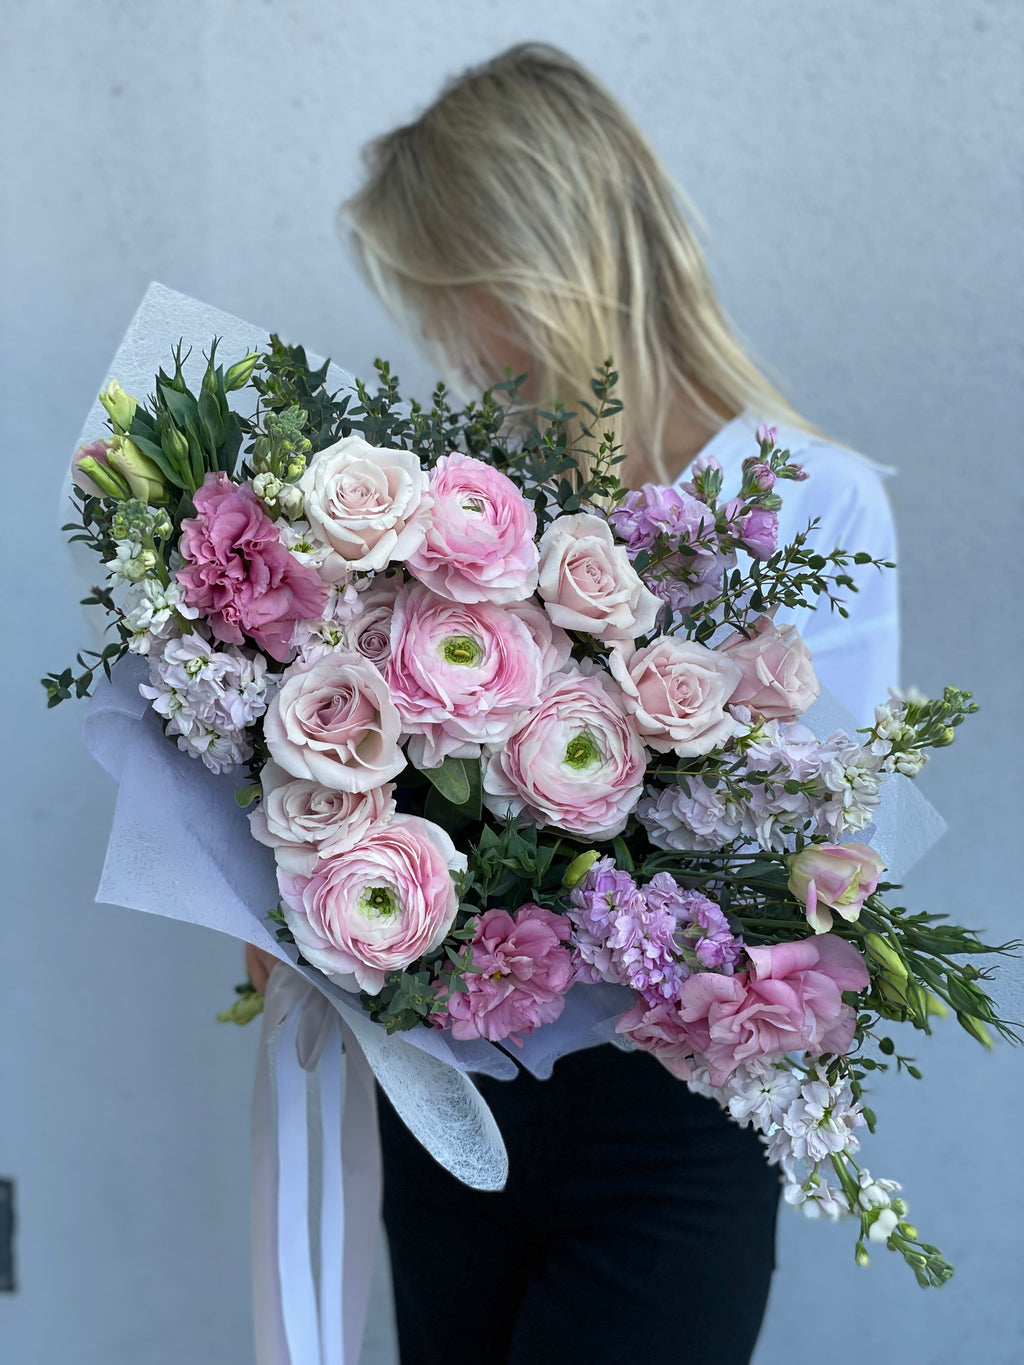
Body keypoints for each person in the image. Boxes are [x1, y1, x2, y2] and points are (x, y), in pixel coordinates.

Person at [248, 41, 899, 1365]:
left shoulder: (813, 500)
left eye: (450, 295)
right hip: (450, 1112)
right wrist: (312, 872)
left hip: (668, 1124)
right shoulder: (473, 502)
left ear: (526, 270)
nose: (449, 340)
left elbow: (806, 861)